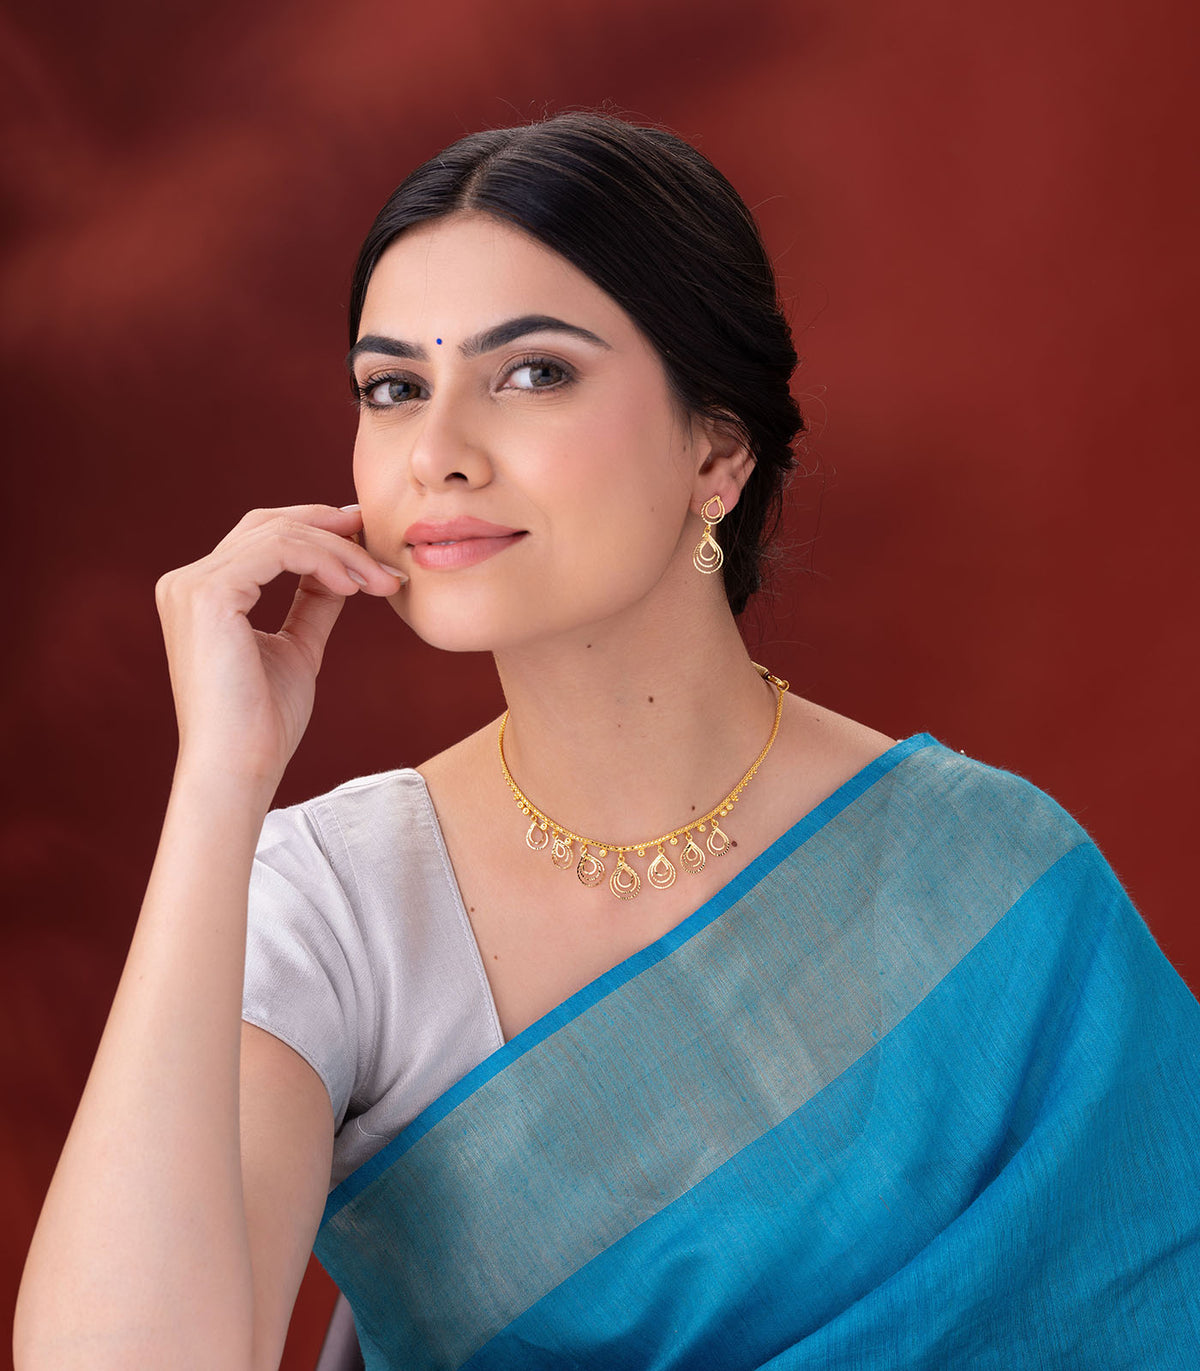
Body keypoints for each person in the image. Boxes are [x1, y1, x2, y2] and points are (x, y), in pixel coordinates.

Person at [14, 111, 1200, 1371]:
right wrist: (220, 781)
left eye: (533, 374)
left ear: (717, 451)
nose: (436, 455)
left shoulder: (986, 875)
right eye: (393, 388)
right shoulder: (333, 908)